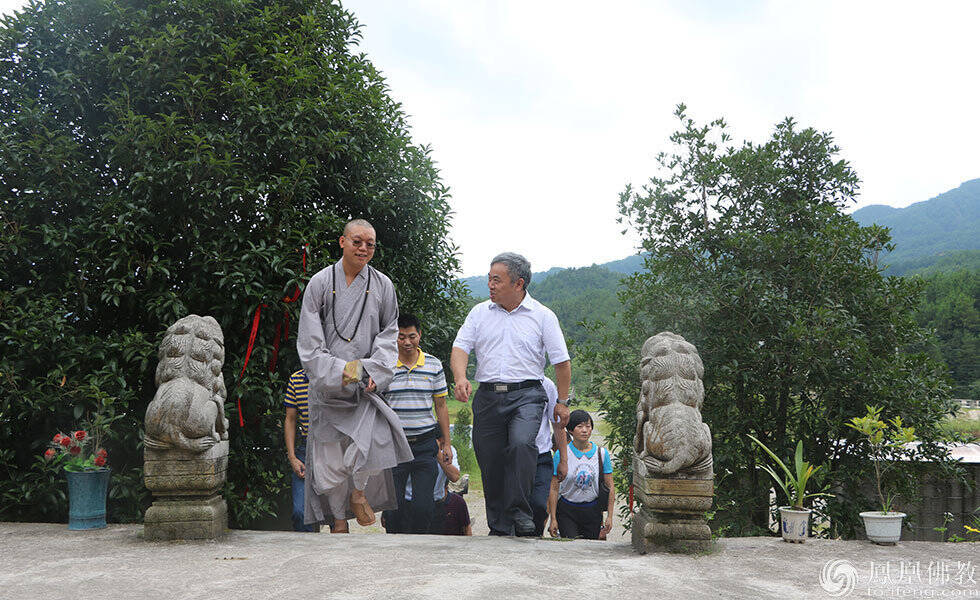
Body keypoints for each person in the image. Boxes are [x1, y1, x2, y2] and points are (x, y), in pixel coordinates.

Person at [297, 218, 412, 532]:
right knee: (328, 459)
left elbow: (389, 336)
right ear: (342, 242)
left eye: (370, 244)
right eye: (358, 241)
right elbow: (309, 341)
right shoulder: (320, 283)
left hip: (364, 385)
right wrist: (339, 372)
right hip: (328, 386)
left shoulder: (383, 285)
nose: (364, 248)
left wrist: (375, 372)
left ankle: (359, 493)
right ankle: (337, 521)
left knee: (370, 441)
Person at [450, 252, 571, 536]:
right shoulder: (479, 313)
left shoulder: (542, 316)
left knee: (520, 444)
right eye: (489, 279)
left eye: (496, 280)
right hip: (488, 396)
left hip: (527, 395)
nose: (490, 285)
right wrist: (460, 377)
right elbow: (460, 347)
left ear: (518, 284)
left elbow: (561, 363)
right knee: (490, 459)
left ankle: (520, 508)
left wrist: (563, 402)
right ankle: (500, 526)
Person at [383, 313, 451, 534]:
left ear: (419, 335)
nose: (407, 342)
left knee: (424, 507)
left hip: (424, 445)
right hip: (395, 445)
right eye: (401, 337)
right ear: (395, 338)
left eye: (412, 336)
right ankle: (395, 552)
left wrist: (447, 444)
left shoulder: (433, 364)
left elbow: (441, 406)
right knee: (394, 509)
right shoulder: (385, 365)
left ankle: (420, 551)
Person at [547, 410, 614, 540]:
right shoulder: (561, 454)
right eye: (580, 427)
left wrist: (610, 516)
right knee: (571, 546)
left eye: (588, 426)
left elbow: (610, 486)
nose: (585, 430)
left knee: (590, 550)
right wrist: (553, 519)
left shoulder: (602, 454)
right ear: (571, 430)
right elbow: (554, 488)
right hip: (567, 510)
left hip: (592, 510)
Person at [532, 378, 568, 536]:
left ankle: (535, 535)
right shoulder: (509, 380)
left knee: (539, 505)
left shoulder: (547, 385)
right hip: (513, 457)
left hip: (541, 455)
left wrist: (563, 460)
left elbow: (558, 425)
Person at [283, 369, 315, 532]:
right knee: (300, 512)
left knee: (336, 517)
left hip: (333, 451)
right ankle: (305, 555)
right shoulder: (297, 379)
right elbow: (290, 419)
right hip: (306, 450)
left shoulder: (337, 376)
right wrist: (292, 457)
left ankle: (336, 557)